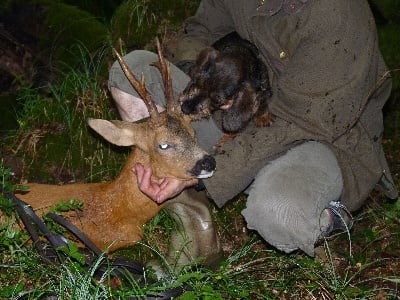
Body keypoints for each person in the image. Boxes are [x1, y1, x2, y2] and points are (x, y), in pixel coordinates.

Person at [108, 0, 398, 257]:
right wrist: (206, 78)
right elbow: (201, 31)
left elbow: (300, 121)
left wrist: (200, 174)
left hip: (323, 134)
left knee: (279, 212)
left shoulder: (338, 14)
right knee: (131, 72)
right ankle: (195, 228)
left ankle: (328, 214)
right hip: (245, 109)